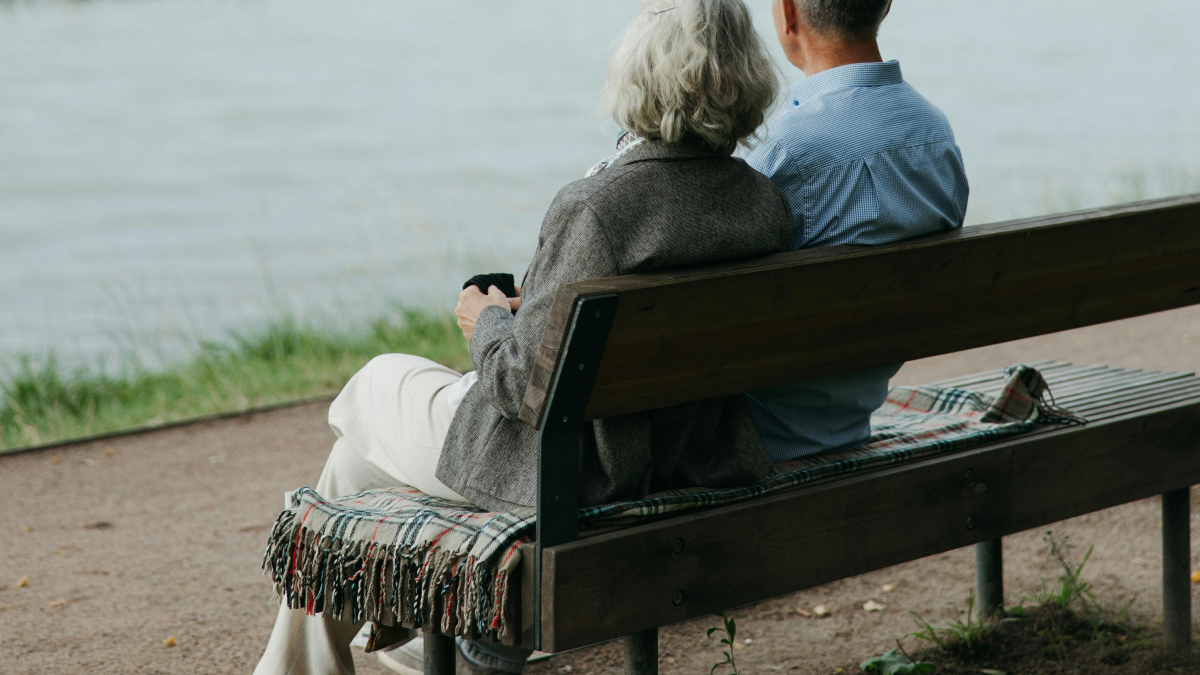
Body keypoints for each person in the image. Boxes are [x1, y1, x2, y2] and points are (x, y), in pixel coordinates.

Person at [252, 0, 789, 673]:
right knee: (351, 470)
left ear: (639, 81)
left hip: (571, 469)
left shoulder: (595, 207)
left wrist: (487, 317)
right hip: (683, 450)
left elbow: (519, 385)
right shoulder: (762, 202)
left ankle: (436, 632)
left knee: (374, 384)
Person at [741, 0, 970, 462]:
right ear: (885, 7)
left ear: (788, 13)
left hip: (756, 433)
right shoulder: (935, 135)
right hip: (858, 406)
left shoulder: (778, 152)